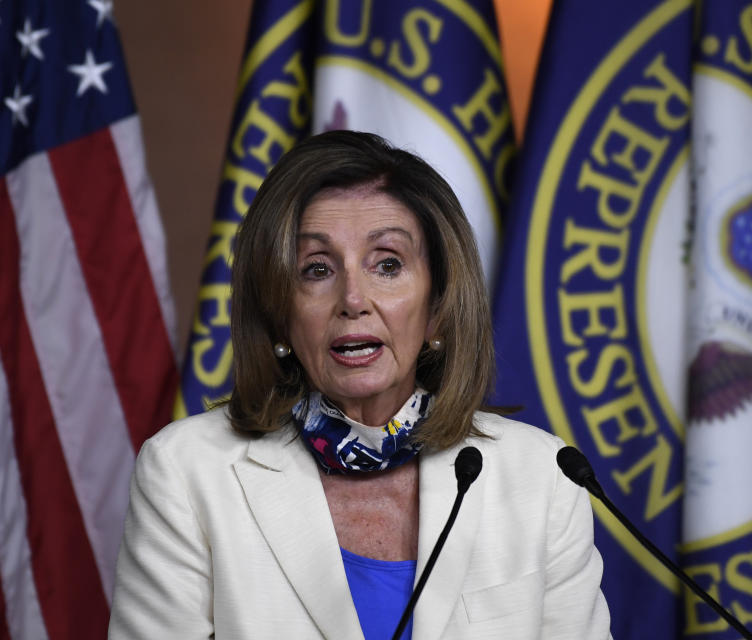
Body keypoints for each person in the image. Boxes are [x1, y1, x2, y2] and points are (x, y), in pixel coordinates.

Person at [108, 131, 611, 639]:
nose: (353, 298)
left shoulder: (541, 479)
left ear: (438, 308)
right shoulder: (187, 473)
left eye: (387, 264)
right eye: (317, 269)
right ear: (279, 315)